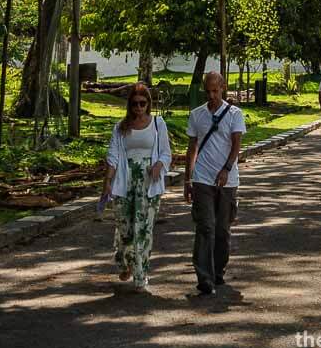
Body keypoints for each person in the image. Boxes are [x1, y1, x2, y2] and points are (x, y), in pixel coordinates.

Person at [99, 82, 172, 293]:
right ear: (129, 105)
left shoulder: (158, 124)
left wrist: (159, 165)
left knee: (143, 229)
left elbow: (166, 153)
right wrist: (107, 183)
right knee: (126, 228)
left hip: (148, 182)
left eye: (142, 103)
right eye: (134, 104)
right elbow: (112, 157)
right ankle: (125, 261)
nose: (138, 108)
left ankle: (141, 275)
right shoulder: (121, 128)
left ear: (148, 104)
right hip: (125, 179)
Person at [184, 71, 246, 296]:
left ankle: (218, 270)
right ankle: (204, 277)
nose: (211, 95)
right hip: (202, 179)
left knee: (222, 229)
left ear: (223, 88)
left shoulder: (235, 114)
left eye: (215, 90)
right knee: (205, 226)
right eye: (208, 91)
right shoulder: (197, 115)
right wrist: (187, 179)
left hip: (227, 181)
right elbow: (192, 148)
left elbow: (236, 145)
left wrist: (227, 169)